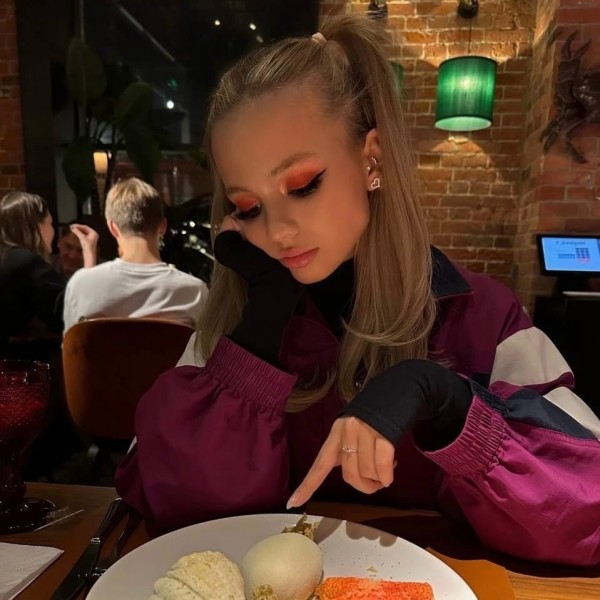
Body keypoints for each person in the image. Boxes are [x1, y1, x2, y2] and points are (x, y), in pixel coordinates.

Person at [115, 15, 600, 566]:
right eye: (248, 207)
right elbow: (176, 508)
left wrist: (444, 397)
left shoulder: (484, 317)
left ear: (373, 157)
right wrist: (261, 323)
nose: (277, 232)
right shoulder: (231, 325)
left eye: (303, 185)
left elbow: (586, 507)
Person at [63, 177, 207, 332]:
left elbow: (72, 344)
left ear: (112, 227)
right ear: (162, 226)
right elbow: (208, 345)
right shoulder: (195, 292)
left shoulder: (80, 284)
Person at [0, 191, 97, 351]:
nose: (52, 231)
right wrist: (89, 252)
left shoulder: (9, 258)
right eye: (50, 224)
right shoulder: (26, 262)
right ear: (36, 227)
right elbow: (71, 317)